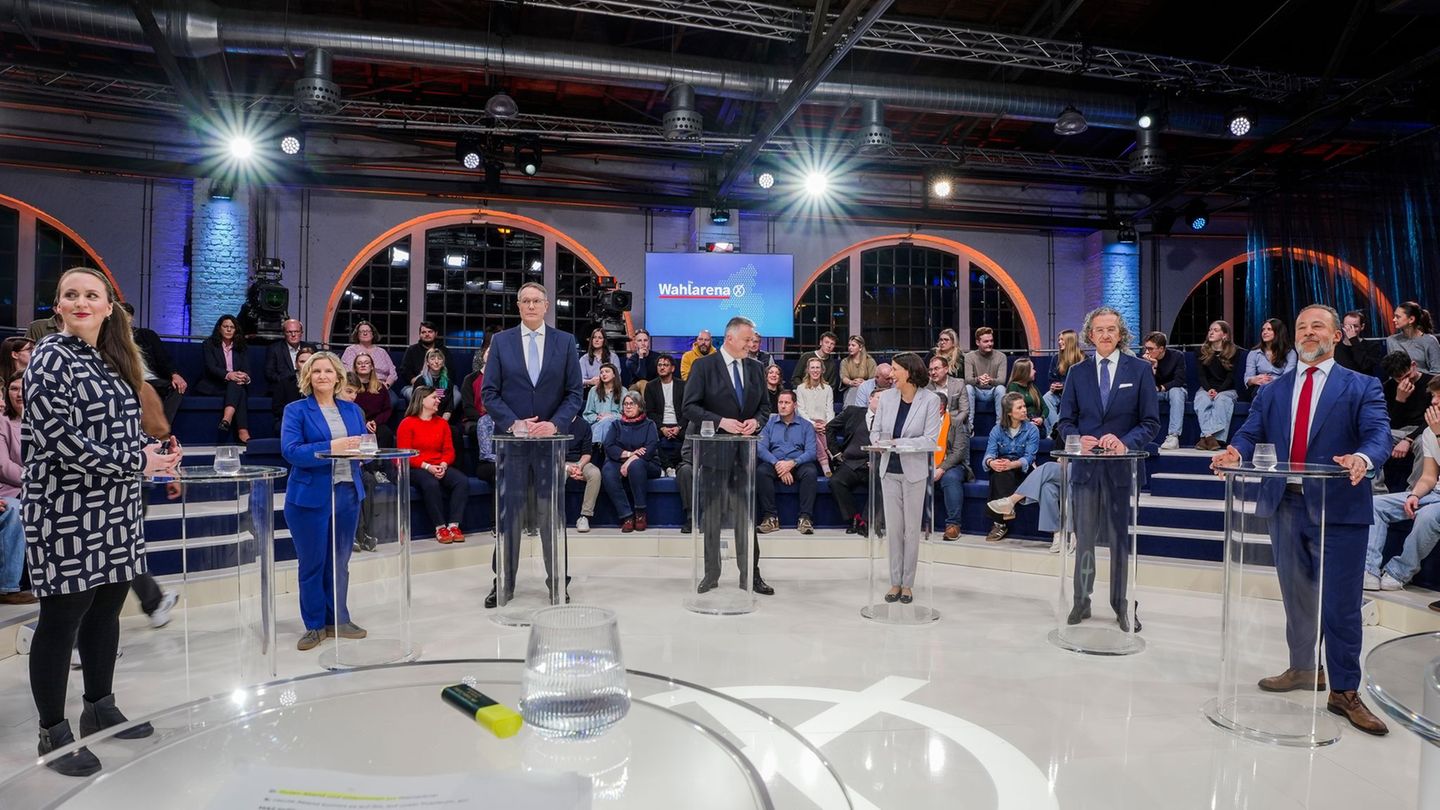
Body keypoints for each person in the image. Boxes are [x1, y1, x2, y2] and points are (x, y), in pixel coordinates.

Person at [23, 267, 182, 776]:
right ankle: (53, 732)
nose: (81, 301)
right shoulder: (50, 355)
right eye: (71, 294)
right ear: (59, 306)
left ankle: (99, 707)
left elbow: (116, 432)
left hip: (116, 504)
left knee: (107, 611)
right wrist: (139, 462)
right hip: (65, 508)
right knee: (62, 618)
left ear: (109, 306)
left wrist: (148, 452)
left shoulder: (115, 360)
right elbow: (58, 439)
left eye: (92, 294)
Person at [1210, 304, 1392, 736]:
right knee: (1296, 597)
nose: (1309, 333)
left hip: (1339, 507)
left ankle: (1345, 690)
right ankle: (1303, 668)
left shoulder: (1361, 385)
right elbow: (1251, 431)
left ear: (1333, 335)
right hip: (1284, 505)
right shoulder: (1273, 390)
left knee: (1342, 605)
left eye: (1318, 326)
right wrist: (1235, 450)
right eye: (1303, 327)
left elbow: (1378, 433)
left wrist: (1363, 457)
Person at [480, 282, 584, 609]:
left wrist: (554, 424)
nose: (530, 306)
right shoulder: (501, 342)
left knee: (550, 515)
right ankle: (504, 582)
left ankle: (557, 581)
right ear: (518, 306)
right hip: (511, 444)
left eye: (536, 300)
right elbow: (489, 393)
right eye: (524, 301)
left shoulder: (565, 342)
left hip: (550, 444)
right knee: (508, 515)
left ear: (547, 305)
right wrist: (514, 423)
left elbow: (574, 394)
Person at [1057, 306, 1160, 632]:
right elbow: (1064, 421)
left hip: (1122, 470)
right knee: (1084, 539)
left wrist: (1126, 441)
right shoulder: (1077, 372)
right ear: (1090, 335)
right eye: (1099, 330)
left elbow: (1151, 423)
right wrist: (1076, 439)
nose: (1104, 335)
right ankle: (1081, 600)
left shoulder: (1141, 370)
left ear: (1120, 334)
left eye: (1111, 329)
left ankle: (1122, 604)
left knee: (1120, 542)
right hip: (1086, 470)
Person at [281, 352, 369, 652]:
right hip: (309, 497)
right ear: (308, 376)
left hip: (347, 491)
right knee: (313, 563)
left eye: (327, 371)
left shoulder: (352, 410)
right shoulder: (296, 410)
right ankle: (315, 625)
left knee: (340, 563)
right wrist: (333, 446)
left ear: (338, 376)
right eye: (316, 371)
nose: (322, 376)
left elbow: (361, 446)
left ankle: (338, 620)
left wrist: (366, 451)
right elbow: (291, 451)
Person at [678, 316, 771, 594]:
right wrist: (721, 421)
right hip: (714, 454)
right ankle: (711, 574)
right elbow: (689, 407)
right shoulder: (703, 366)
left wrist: (756, 421)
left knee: (747, 518)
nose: (751, 344)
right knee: (713, 518)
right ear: (729, 339)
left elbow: (765, 407)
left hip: (745, 455)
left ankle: (751, 575)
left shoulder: (756, 368)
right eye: (746, 339)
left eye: (753, 340)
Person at [871, 352, 943, 605]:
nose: (891, 374)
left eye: (895, 369)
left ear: (909, 372)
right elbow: (875, 433)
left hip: (914, 474)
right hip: (888, 471)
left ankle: (908, 584)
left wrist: (896, 443)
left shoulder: (930, 401)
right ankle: (894, 582)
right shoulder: (887, 398)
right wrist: (881, 443)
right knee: (894, 530)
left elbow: (930, 440)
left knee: (912, 531)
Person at [1364, 376, 1440, 592]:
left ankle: (1400, 572)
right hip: (1434, 492)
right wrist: (1414, 495)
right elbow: (1428, 476)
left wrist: (1439, 434)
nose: (1434, 402)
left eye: (1439, 397)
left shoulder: (1434, 431)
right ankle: (1369, 570)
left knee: (1428, 516)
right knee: (1375, 504)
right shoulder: (1428, 432)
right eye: (1434, 396)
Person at [397, 385, 471, 545]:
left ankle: (453, 526)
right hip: (416, 466)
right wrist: (427, 467)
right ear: (422, 400)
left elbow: (449, 450)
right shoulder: (407, 423)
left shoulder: (441, 424)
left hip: (438, 464)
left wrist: (443, 465)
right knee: (430, 483)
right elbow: (405, 454)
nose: (438, 400)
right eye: (434, 397)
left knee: (461, 481)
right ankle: (440, 527)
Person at [756, 390, 820, 535]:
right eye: (780, 402)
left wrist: (792, 463)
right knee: (761, 471)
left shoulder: (806, 426)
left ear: (795, 405)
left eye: (787, 403)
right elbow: (760, 448)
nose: (783, 406)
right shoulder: (769, 423)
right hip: (775, 463)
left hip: (798, 464)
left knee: (810, 471)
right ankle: (770, 517)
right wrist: (778, 464)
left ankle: (805, 518)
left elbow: (811, 452)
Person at [982, 392, 1041, 542]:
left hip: (1024, 468)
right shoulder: (997, 430)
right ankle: (1005, 514)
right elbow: (989, 453)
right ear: (1009, 413)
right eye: (1019, 407)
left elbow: (1029, 457)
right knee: (999, 471)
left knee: (1004, 469)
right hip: (1006, 470)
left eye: (1024, 406)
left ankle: (1000, 522)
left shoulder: (1032, 429)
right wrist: (991, 462)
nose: (1024, 410)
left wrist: (1011, 465)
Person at [602, 391, 660, 532]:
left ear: (640, 406)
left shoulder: (649, 424)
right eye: (625, 404)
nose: (628, 407)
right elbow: (609, 446)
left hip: (647, 463)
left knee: (636, 465)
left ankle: (640, 513)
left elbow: (650, 448)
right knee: (608, 470)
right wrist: (630, 454)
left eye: (632, 404)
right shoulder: (616, 425)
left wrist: (632, 459)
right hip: (620, 460)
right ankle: (626, 515)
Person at [120, 304, 187, 426]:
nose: (124, 319)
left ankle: (161, 430)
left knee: (177, 387)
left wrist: (174, 374)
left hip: (151, 379)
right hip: (129, 381)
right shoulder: (112, 339)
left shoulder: (147, 335)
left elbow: (163, 358)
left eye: (127, 316)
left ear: (131, 318)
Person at [1380, 350, 1435, 489]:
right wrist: (1400, 400)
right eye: (1399, 379)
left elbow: (1432, 419)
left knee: (1425, 442)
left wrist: (1408, 439)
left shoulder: (1432, 383)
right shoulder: (1388, 387)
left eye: (1408, 375)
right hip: (1398, 431)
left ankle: (1414, 492)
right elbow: (1391, 423)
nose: (1405, 381)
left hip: (1424, 429)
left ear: (1413, 365)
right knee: (1374, 438)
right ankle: (1377, 492)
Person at [827, 390, 879, 537]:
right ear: (870, 399)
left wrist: (879, 461)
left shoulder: (890, 418)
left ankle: (867, 521)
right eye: (879, 398)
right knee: (835, 481)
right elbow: (829, 427)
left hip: (874, 464)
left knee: (883, 483)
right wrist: (836, 453)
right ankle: (855, 518)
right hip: (850, 462)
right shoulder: (853, 412)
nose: (882, 402)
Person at [195, 314, 252, 445]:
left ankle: (226, 420)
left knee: (237, 384)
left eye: (232, 327)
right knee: (239, 389)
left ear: (236, 330)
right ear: (219, 329)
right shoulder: (209, 344)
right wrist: (229, 375)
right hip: (214, 384)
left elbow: (247, 370)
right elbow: (211, 368)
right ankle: (243, 432)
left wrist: (245, 378)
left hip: (233, 386)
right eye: (225, 326)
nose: (228, 330)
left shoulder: (241, 346)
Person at [0, 372, 32, 604]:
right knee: (15, 511)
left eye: (24, 388)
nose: (19, 394)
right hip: (11, 490)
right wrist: (35, 480)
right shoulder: (3, 422)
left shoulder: (45, 423)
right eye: (13, 389)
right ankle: (8, 587)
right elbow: (3, 466)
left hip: (40, 491)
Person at [1194, 320, 1239, 451]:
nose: (1211, 332)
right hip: (1207, 388)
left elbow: (1231, 377)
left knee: (1221, 400)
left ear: (1224, 335)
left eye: (1215, 330)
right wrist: (1209, 390)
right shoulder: (1200, 351)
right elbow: (1201, 376)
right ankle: (1212, 438)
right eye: (1210, 330)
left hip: (1227, 389)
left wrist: (1218, 391)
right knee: (1201, 400)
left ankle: (1206, 438)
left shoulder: (1234, 352)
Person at [935, 388, 970, 541]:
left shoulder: (955, 423)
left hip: (952, 465)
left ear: (941, 407)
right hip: (924, 463)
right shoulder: (921, 424)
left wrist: (941, 468)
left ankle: (953, 525)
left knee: (950, 478)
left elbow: (959, 452)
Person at [1142, 331, 1186, 450]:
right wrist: (1153, 367)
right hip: (1156, 393)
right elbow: (1147, 386)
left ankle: (1173, 436)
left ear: (1161, 348)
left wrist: (1161, 387)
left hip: (1175, 391)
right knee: (1141, 395)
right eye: (1145, 348)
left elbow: (1179, 380)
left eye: (1150, 349)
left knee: (1176, 392)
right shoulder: (1145, 360)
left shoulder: (1177, 356)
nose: (1147, 352)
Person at [643, 354, 685, 474]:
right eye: (660, 365)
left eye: (666, 365)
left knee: (690, 434)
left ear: (672, 368)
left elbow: (687, 411)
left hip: (679, 423)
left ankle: (673, 467)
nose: (662, 367)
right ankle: (668, 467)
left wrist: (678, 427)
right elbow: (650, 412)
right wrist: (662, 428)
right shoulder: (650, 386)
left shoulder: (683, 385)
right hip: (660, 424)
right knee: (650, 435)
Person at [795, 357, 835, 476]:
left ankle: (827, 460)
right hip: (806, 424)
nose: (815, 370)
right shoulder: (800, 388)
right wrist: (813, 425)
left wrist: (827, 426)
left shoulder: (828, 389)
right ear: (807, 370)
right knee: (813, 434)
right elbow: (801, 412)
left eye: (818, 367)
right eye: (812, 367)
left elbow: (830, 410)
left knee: (819, 433)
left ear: (822, 370)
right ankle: (827, 461)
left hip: (824, 424)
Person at [563, 415, 603, 533]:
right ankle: (556, 515)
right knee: (555, 474)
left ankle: (585, 516)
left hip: (580, 462)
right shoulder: (554, 423)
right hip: (559, 463)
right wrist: (566, 467)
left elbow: (587, 453)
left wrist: (579, 466)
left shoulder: (584, 425)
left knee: (595, 474)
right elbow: (550, 453)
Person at [1042, 330, 1085, 437]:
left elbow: (1084, 383)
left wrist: (1064, 385)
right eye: (1059, 339)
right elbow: (1051, 379)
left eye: (1062, 339)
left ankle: (1056, 433)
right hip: (1059, 393)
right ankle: (1054, 431)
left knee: (1066, 401)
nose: (1059, 342)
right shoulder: (1056, 358)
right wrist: (1053, 386)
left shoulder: (1083, 359)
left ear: (1069, 341)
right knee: (1047, 397)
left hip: (1076, 396)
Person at [964, 326, 1008, 427]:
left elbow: (1002, 380)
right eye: (986, 341)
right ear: (977, 342)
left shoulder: (1001, 357)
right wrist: (978, 380)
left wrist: (990, 380)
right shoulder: (969, 357)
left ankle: (999, 427)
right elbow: (967, 379)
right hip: (977, 390)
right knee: (968, 388)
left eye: (991, 341)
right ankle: (969, 427)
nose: (990, 344)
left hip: (993, 390)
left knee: (1001, 389)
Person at [266, 319, 311, 417]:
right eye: (289, 332)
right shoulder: (274, 349)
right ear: (284, 333)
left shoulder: (310, 348)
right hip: (285, 390)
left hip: (309, 386)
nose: (293, 335)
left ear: (301, 333)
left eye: (296, 331)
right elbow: (270, 373)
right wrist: (286, 381)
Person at [351, 352, 395, 447]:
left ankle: (382, 461)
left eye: (366, 363)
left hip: (376, 423)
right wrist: (365, 423)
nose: (363, 365)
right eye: (359, 363)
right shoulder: (350, 387)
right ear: (355, 368)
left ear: (372, 367)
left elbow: (387, 410)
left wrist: (375, 422)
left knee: (386, 433)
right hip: (356, 422)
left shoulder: (380, 387)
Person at [398, 321, 451, 401]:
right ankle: (422, 412)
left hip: (441, 385)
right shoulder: (412, 350)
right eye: (423, 332)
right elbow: (405, 370)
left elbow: (451, 371)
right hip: (416, 385)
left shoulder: (444, 350)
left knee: (455, 395)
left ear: (436, 334)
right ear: (420, 335)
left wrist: (440, 385)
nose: (427, 334)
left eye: (430, 332)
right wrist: (417, 381)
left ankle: (442, 412)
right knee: (413, 395)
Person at [1244, 317, 1297, 395]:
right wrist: (1254, 380)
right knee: (1261, 390)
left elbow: (1288, 377)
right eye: (1263, 330)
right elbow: (1248, 378)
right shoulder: (1254, 353)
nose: (1264, 332)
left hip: (1281, 387)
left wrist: (1270, 380)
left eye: (1269, 329)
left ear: (1278, 332)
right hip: (1259, 388)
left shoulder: (1290, 353)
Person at [1386, 301, 1440, 373]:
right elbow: (1392, 371)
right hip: (1400, 382)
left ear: (1411, 319)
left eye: (1397, 317)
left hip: (1426, 382)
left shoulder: (1430, 341)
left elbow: (1437, 371)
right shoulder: (1391, 340)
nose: (1394, 319)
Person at [341, 320, 398, 387]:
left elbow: (393, 373)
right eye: (362, 331)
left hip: (381, 386)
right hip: (358, 386)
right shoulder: (350, 350)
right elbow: (348, 372)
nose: (365, 333)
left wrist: (387, 385)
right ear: (357, 335)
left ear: (373, 334)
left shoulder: (382, 352)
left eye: (368, 331)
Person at [583, 362, 625, 446]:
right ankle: (605, 448)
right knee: (604, 423)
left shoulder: (623, 391)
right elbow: (587, 414)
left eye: (607, 371)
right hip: (596, 424)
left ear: (614, 375)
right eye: (601, 372)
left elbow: (625, 414)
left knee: (607, 422)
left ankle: (597, 446)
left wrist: (611, 417)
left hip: (616, 425)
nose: (603, 374)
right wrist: (597, 417)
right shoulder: (593, 391)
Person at [1336, 309, 1384, 377]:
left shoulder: (1373, 346)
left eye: (1355, 326)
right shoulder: (1335, 347)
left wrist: (1354, 340)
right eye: (1348, 326)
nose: (1351, 330)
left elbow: (1365, 366)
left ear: (1362, 327)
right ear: (1342, 326)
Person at [1005, 358, 1048, 431]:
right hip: (1020, 426)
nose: (1035, 371)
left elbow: (1045, 408)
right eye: (1032, 369)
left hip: (1036, 424)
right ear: (1025, 372)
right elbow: (1013, 410)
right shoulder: (1013, 386)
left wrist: (1041, 418)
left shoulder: (1033, 387)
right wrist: (1028, 422)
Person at [839, 335, 877, 407]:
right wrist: (851, 382)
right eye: (849, 345)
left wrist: (864, 383)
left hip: (868, 389)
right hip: (851, 388)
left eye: (853, 345)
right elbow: (843, 377)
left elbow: (874, 378)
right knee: (853, 390)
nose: (850, 347)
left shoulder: (870, 361)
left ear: (860, 347)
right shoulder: (845, 361)